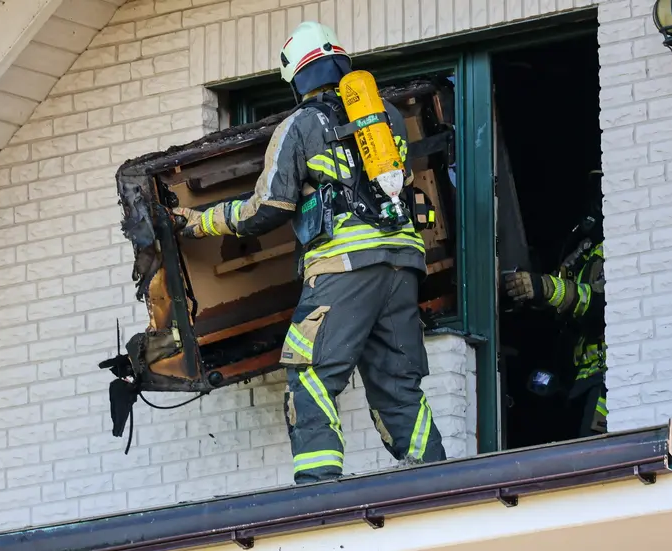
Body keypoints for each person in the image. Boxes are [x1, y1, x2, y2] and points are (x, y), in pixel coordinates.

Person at [170, 21, 447, 484]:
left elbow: (268, 208)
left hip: (343, 268)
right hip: (403, 264)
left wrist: (202, 222)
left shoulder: (298, 126)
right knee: (399, 389)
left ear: (297, 77)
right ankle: (439, 484)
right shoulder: (388, 118)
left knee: (311, 378)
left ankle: (317, 495)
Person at [502, 169, 607, 437]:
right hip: (579, 379)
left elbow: (602, 306)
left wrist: (544, 288)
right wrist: (531, 291)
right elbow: (561, 292)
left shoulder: (621, 251)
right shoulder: (586, 252)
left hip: (607, 379)